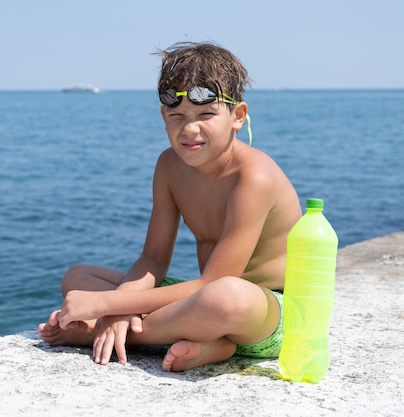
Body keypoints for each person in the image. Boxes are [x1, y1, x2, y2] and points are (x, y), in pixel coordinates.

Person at [38, 41, 301, 372]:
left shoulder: (254, 177)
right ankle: (212, 343)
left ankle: (98, 334)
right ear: (164, 115)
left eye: (206, 114)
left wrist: (106, 306)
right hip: (204, 300)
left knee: (224, 298)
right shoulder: (168, 166)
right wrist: (120, 309)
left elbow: (214, 284)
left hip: (264, 311)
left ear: (237, 116)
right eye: (177, 116)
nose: (190, 129)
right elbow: (153, 259)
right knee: (78, 277)